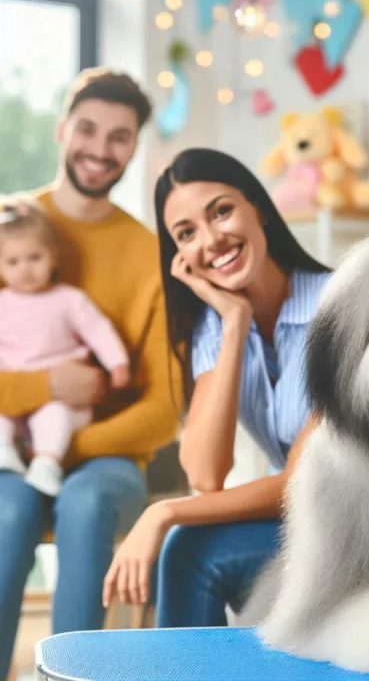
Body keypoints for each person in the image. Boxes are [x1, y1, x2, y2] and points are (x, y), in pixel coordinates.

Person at [102, 148, 332, 627]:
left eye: (221, 211)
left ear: (259, 210)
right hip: (300, 525)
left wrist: (164, 511)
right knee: (186, 548)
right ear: (180, 256)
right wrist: (235, 323)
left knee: (186, 546)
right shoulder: (216, 326)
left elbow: (301, 483)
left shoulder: (340, 308)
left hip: (363, 525)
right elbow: (207, 471)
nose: (211, 239)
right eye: (186, 234)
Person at [0, 67, 179, 680]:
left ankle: (70, 675)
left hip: (108, 459)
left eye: (120, 137)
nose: (101, 149)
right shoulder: (10, 230)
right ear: (61, 130)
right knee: (9, 510)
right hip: (12, 448)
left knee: (84, 498)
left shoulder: (150, 254)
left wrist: (70, 443)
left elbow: (165, 406)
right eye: (88, 129)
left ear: (135, 147)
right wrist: (47, 390)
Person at [0, 196, 130, 496]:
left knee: (54, 415)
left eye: (35, 258)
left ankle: (47, 464)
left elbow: (99, 331)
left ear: (54, 257)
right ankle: (4, 451)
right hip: (14, 400)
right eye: (13, 262)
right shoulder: (3, 303)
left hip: (66, 397)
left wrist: (117, 364)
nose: (26, 269)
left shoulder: (69, 299)